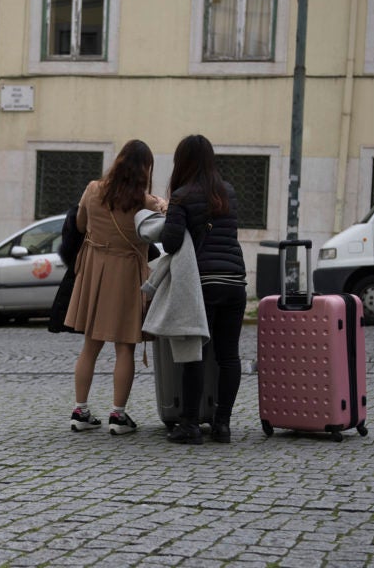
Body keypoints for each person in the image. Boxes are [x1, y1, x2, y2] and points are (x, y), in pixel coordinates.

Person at [65, 139, 166, 435]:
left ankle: (80, 411)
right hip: (126, 275)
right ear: (146, 170)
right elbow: (162, 228)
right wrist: (161, 202)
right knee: (125, 348)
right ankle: (118, 416)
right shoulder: (145, 203)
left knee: (90, 346)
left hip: (94, 270)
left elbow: (81, 225)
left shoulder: (93, 189)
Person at [160, 134, 247, 444]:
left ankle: (190, 424)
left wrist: (170, 213)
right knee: (229, 356)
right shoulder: (229, 193)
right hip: (235, 281)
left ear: (182, 162)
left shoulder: (182, 196)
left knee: (195, 354)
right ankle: (222, 424)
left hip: (203, 284)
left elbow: (170, 242)